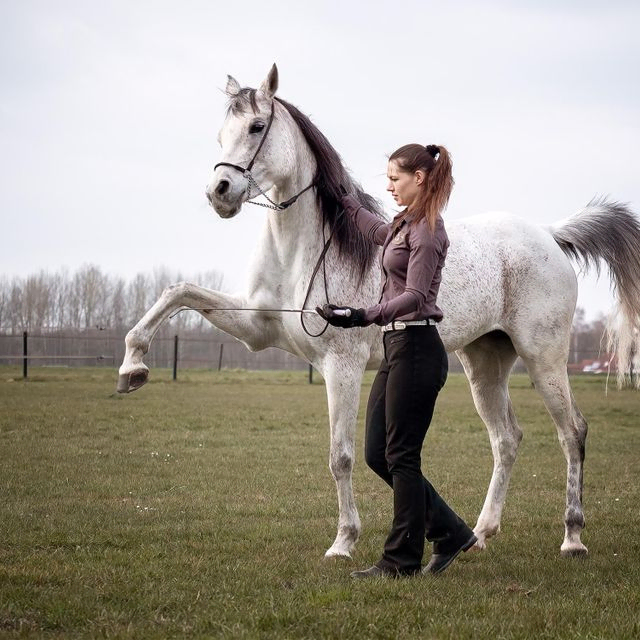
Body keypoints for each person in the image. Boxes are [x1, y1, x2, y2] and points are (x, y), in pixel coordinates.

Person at [316, 143, 476, 577]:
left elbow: (416, 297)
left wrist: (361, 315)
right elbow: (374, 233)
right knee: (376, 453)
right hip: (395, 349)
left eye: (394, 178)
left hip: (419, 350)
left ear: (418, 178)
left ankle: (400, 560)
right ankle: (450, 531)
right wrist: (342, 198)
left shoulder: (426, 231)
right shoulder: (403, 224)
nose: (388, 186)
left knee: (402, 457)